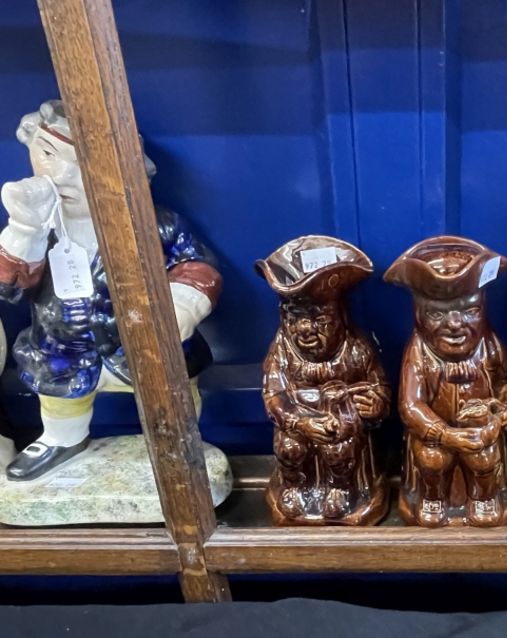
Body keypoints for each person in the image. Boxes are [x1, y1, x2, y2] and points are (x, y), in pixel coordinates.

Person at [0, 100, 221, 480]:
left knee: (169, 395)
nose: (62, 176)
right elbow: (11, 287)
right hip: (64, 344)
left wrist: (183, 303)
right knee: (59, 398)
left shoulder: (156, 223)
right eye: (49, 155)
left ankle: (173, 441)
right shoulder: (39, 226)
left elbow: (195, 265)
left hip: (143, 343)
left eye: (84, 164)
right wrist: (24, 230)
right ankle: (62, 439)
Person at [385, 236, 507, 527]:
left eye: (469, 311)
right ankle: (432, 497)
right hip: (436, 438)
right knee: (432, 459)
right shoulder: (418, 351)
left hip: (481, 434)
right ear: (418, 314)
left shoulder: (489, 345)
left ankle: (485, 497)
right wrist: (445, 434)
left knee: (484, 458)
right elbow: (410, 405)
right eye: (437, 313)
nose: (454, 323)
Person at [257, 236, 390, 524]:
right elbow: (273, 395)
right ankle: (296, 487)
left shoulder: (356, 348)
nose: (305, 329)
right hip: (297, 424)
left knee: (338, 449)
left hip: (342, 427)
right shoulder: (281, 349)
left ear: (339, 316)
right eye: (295, 318)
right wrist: (300, 422)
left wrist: (374, 404)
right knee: (289, 448)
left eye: (318, 319)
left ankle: (342, 490)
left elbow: (379, 388)